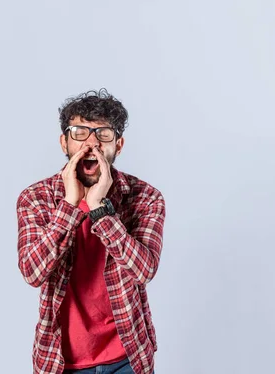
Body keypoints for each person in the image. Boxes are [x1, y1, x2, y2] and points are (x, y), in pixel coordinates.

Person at [16, 89, 165, 374]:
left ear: (118, 145)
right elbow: (32, 272)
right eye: (80, 132)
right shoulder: (35, 198)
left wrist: (99, 209)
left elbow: (144, 271)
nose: (92, 143)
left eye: (103, 134)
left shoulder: (146, 197)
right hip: (61, 363)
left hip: (128, 359)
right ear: (64, 142)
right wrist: (70, 205)